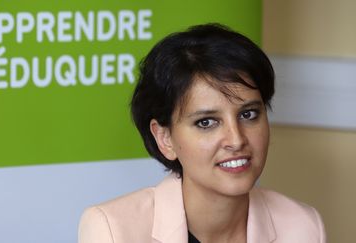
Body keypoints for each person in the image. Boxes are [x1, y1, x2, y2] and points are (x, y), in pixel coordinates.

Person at [78, 23, 326, 243]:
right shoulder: (114, 231)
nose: (236, 139)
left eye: (248, 114)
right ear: (165, 138)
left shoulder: (303, 226)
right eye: (206, 122)